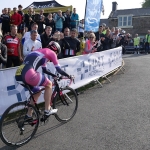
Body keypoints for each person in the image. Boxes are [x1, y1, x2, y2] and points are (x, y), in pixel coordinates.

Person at [15, 41, 72, 119]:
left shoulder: (41, 51)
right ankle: (47, 110)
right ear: (56, 50)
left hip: (18, 74)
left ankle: (29, 115)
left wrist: (53, 75)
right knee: (49, 84)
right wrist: (68, 76)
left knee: (37, 91)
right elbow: (58, 69)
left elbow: (44, 70)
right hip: (28, 73)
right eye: (57, 53)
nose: (56, 55)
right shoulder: (52, 53)